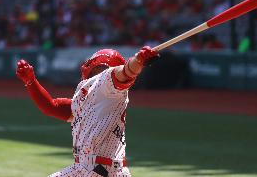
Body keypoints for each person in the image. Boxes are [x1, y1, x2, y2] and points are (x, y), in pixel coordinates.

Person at [16, 46, 159, 177]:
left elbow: (126, 72)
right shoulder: (89, 98)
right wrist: (31, 82)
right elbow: (51, 107)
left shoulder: (107, 82)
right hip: (95, 168)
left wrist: (138, 61)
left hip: (99, 169)